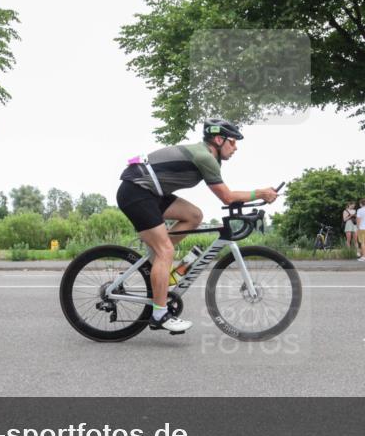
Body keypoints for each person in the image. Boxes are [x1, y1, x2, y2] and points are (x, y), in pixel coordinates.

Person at [116, 119, 278, 334]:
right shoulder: (205, 157)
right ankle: (159, 315)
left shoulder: (208, 156)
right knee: (166, 251)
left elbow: (227, 197)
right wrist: (260, 193)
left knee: (194, 216)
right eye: (232, 141)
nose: (236, 147)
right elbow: (227, 197)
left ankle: (156, 261)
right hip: (136, 192)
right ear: (218, 140)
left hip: (151, 193)